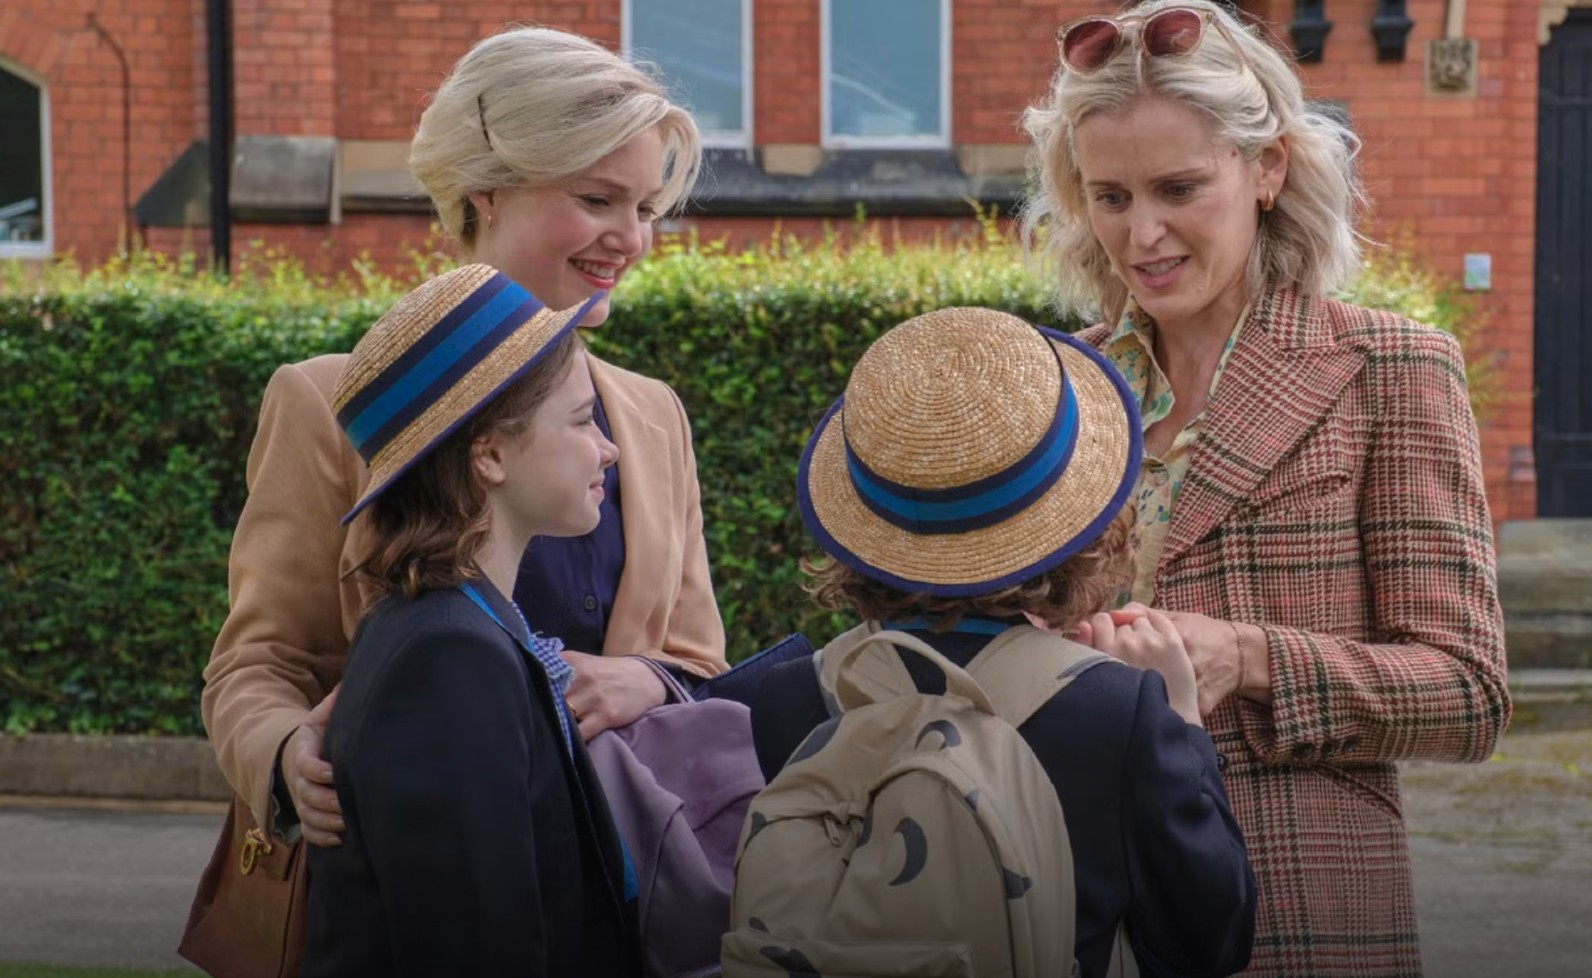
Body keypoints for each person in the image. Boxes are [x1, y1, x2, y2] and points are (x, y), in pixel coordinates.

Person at [1020, 2, 1511, 974]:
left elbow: (1467, 692)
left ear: (1268, 168)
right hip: (1063, 894)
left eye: (1179, 188)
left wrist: (1244, 657)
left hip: (1293, 909)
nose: (1142, 233)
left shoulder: (1387, 368)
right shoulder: (1060, 386)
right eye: (1110, 196)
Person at [200, 26, 725, 850]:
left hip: (611, 875)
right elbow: (259, 663)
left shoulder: (653, 416)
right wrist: (283, 752)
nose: (632, 239)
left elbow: (701, 665)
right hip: (399, 872)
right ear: (487, 193)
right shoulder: (327, 403)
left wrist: (645, 681)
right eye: (597, 200)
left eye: (647, 209)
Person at [748, 307, 1258, 978]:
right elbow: (1211, 939)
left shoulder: (783, 699)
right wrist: (1182, 716)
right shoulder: (1120, 710)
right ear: (1081, 519)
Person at [300, 264, 636, 975]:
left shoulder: (460, 627)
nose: (608, 449)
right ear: (489, 453)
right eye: (583, 421)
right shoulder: (448, 658)